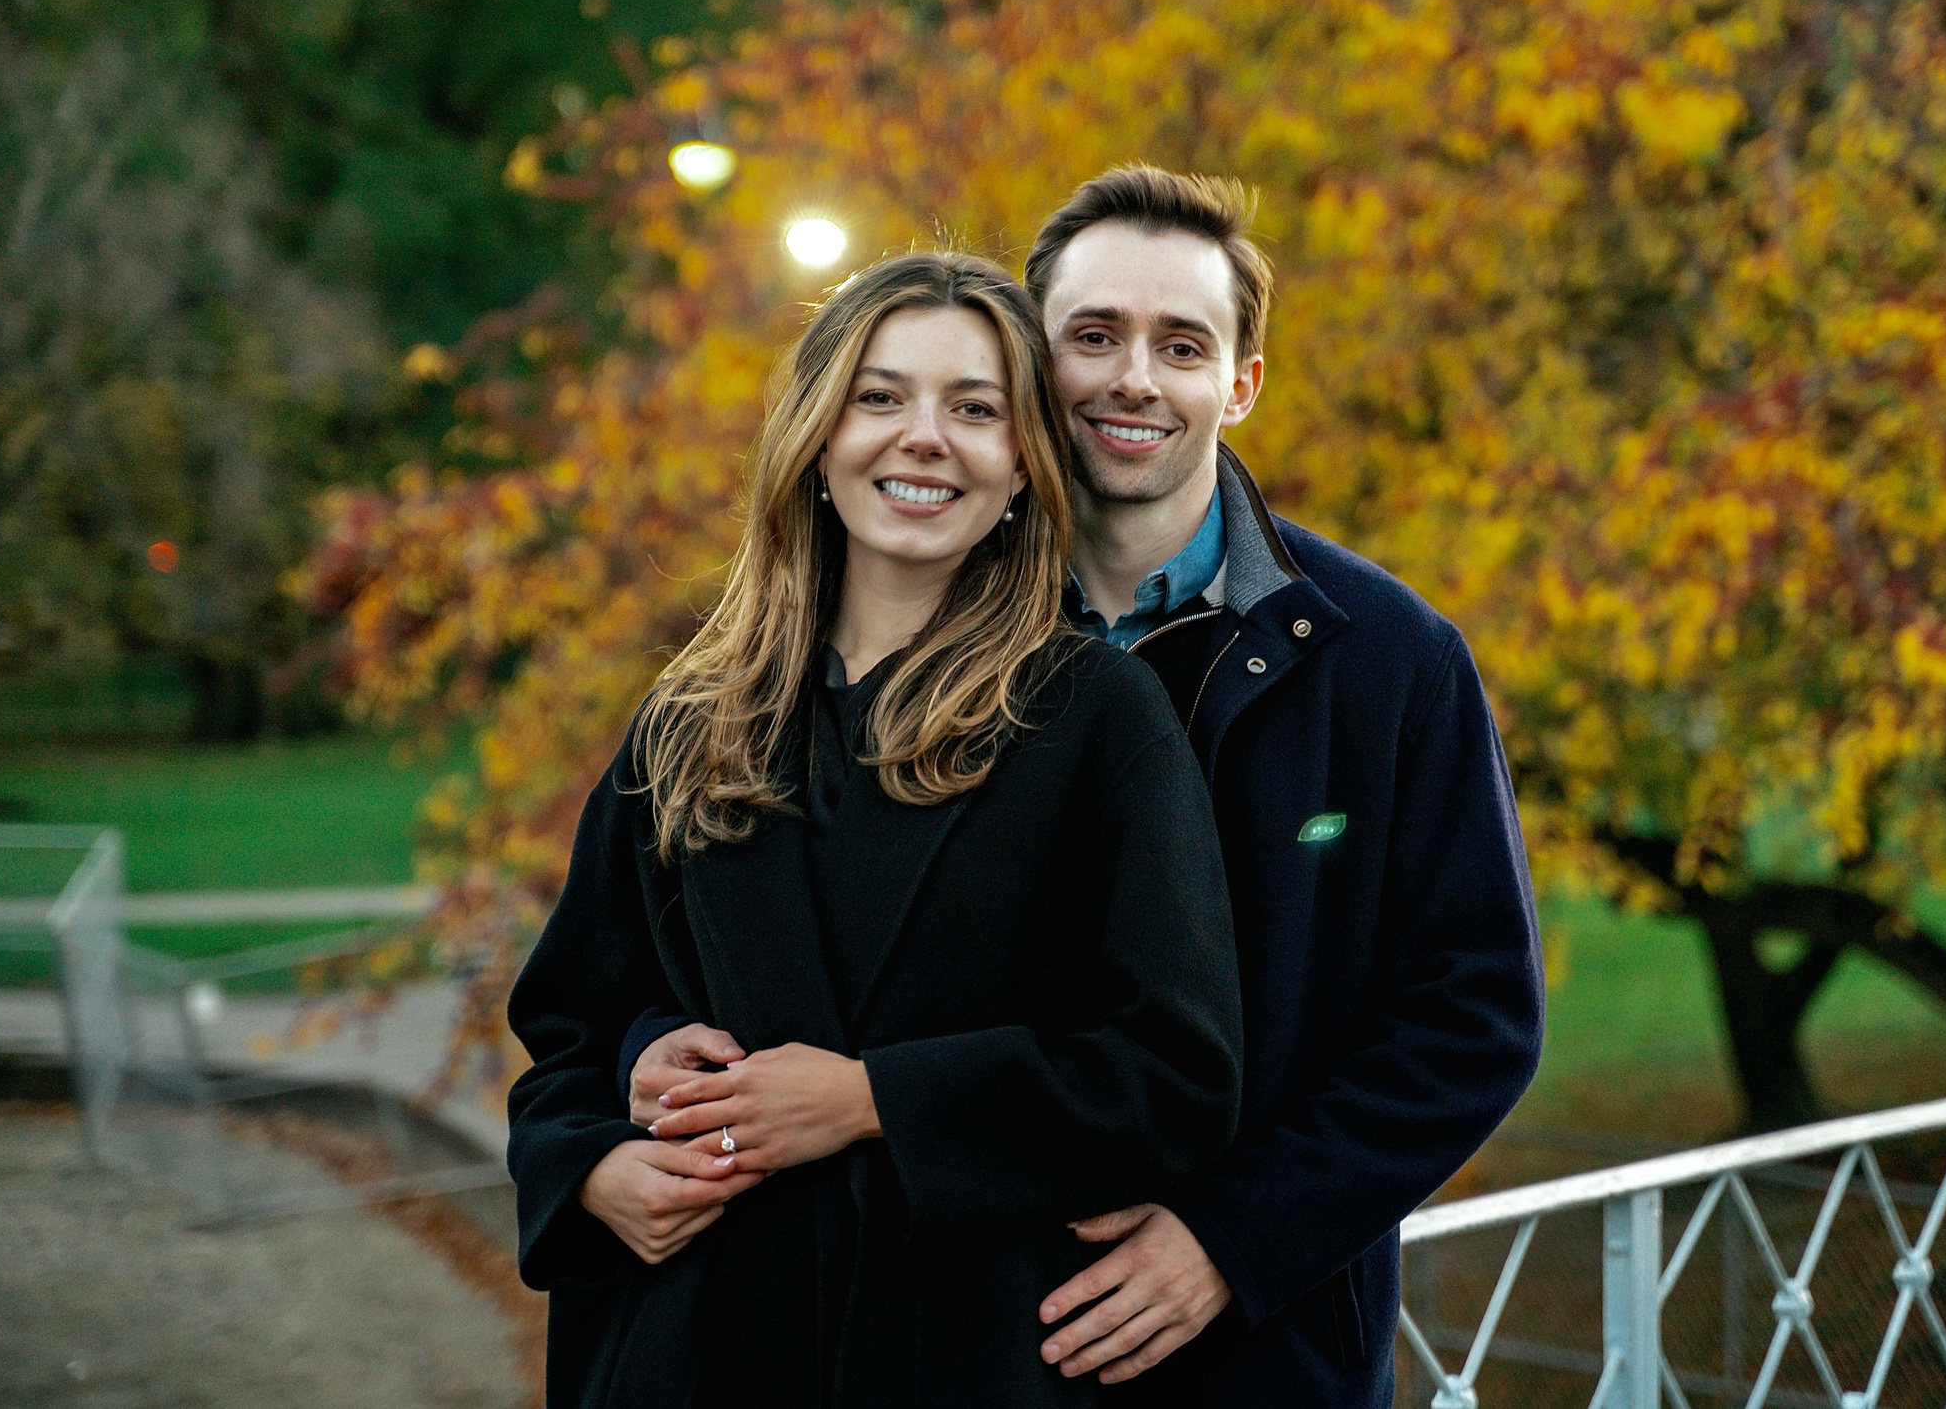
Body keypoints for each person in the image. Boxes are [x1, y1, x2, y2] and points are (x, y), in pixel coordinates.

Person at [625, 169, 1545, 1406]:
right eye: (1093, 335)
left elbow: (1469, 1016)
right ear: (1030, 362)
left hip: (1256, 1348)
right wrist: (653, 1050)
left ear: (1241, 384)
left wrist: (1235, 1238)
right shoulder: (905, 624)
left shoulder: (1384, 660)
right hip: (947, 1326)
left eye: (1182, 344)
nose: (1133, 379)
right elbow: (728, 915)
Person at [506, 251, 1245, 1409]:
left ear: (1020, 471)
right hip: (701, 1346)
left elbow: (1172, 1075)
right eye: (880, 395)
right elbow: (569, 1031)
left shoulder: (1091, 720)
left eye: (976, 409)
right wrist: (594, 1165)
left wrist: (871, 1101)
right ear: (816, 441)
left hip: (962, 1349)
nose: (923, 438)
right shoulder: (693, 718)